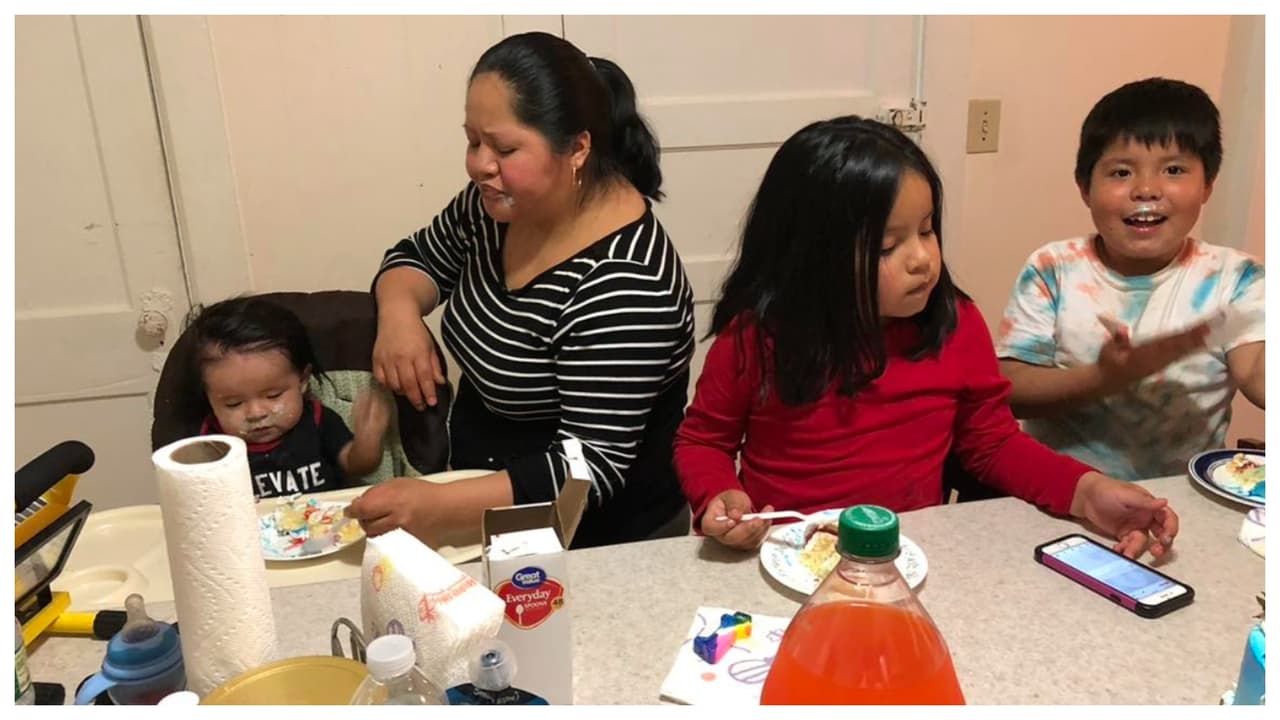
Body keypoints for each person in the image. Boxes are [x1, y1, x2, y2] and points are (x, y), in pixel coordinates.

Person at [673, 115, 1178, 560]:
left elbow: (992, 444)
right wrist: (719, 494)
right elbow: (703, 440)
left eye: (927, 230)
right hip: (784, 556)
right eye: (888, 245)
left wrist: (1087, 491)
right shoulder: (758, 337)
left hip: (906, 558)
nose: (921, 259)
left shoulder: (954, 324)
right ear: (811, 256)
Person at [347, 32, 696, 549]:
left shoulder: (626, 281)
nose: (479, 165)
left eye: (505, 148)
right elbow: (416, 257)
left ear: (578, 148)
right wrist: (399, 316)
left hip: (597, 538)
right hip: (482, 496)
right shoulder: (501, 204)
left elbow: (586, 469)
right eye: (472, 140)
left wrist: (433, 506)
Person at [996, 78, 1265, 481]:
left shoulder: (1235, 279)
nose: (1145, 190)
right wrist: (1102, 378)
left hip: (1180, 504)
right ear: (1085, 188)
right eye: (1121, 172)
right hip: (1059, 492)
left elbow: (1258, 380)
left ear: (1208, 183)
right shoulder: (1054, 268)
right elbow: (1011, 391)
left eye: (1174, 169)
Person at [190, 296, 390, 499]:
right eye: (234, 403)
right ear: (209, 398)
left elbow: (357, 466)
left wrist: (368, 441)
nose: (256, 413)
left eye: (273, 395)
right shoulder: (214, 444)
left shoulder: (317, 420)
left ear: (303, 380)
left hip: (326, 522)